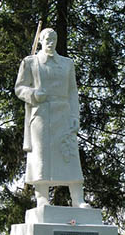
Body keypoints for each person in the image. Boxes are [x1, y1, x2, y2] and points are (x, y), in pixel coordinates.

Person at [15, 28, 89, 208]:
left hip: (63, 113)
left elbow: (72, 92)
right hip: (41, 114)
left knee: (70, 155)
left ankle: (77, 198)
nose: (51, 41)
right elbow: (19, 88)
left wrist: (75, 116)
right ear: (40, 40)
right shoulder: (30, 62)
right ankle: (42, 198)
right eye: (47, 38)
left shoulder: (67, 63)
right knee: (41, 155)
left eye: (53, 38)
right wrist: (33, 94)